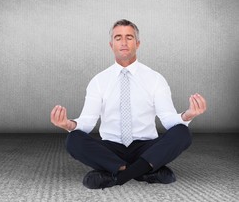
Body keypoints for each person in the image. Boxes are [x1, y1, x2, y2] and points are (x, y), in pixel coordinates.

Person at [50, 19, 207, 189]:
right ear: (111, 45)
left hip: (145, 146)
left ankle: (117, 176)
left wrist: (188, 115)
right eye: (118, 38)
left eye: (129, 37)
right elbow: (87, 122)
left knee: (182, 132)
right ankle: (146, 170)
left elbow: (168, 120)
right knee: (73, 139)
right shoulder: (98, 81)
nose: (124, 42)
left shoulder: (155, 79)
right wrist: (67, 124)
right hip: (111, 148)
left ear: (138, 44)